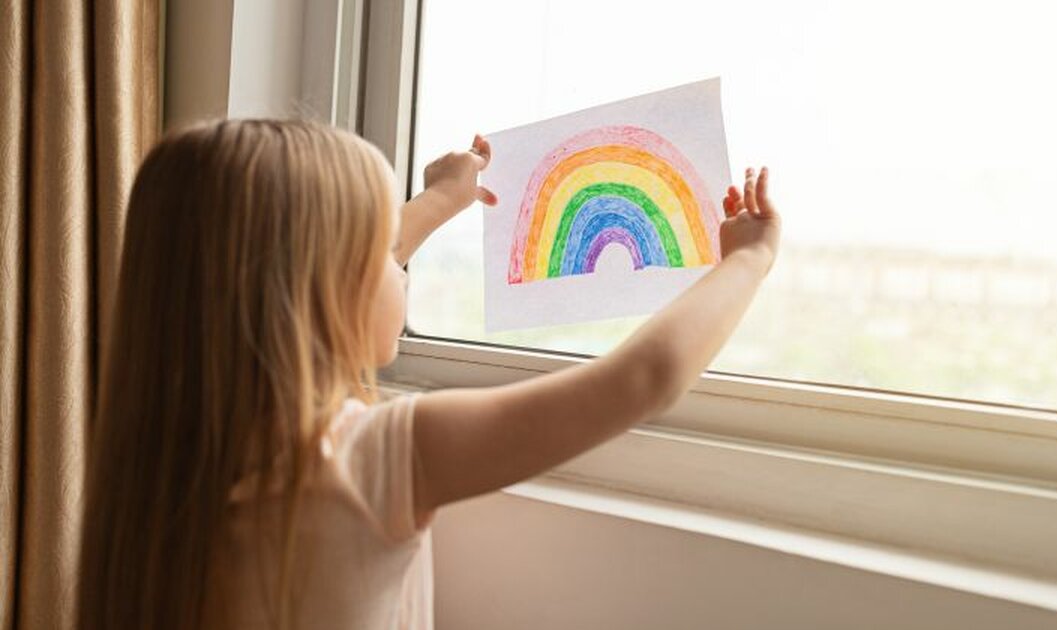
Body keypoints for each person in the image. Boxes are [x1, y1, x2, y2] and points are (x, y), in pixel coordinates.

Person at [77, 119, 780, 629]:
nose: (401, 266)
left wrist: (441, 199)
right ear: (320, 294)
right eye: (388, 252)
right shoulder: (370, 461)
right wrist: (748, 260)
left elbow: (312, 271)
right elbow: (642, 380)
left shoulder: (159, 476)